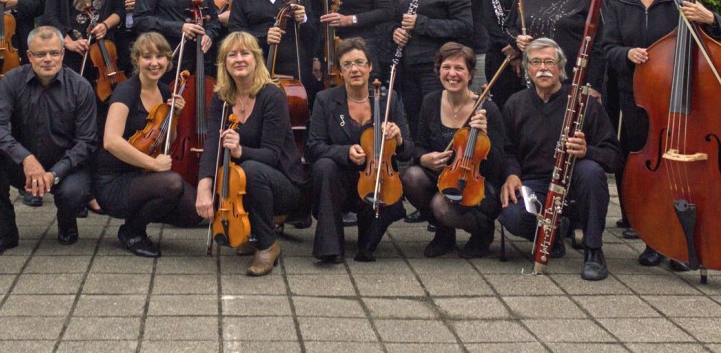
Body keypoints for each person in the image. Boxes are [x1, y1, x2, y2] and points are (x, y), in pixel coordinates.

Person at [598, 0, 721, 270]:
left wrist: (710, 18)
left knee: (684, 174)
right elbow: (606, 49)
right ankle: (653, 240)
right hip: (638, 101)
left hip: (682, 103)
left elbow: (720, 39)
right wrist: (626, 54)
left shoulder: (680, 2)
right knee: (646, 173)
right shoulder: (619, 5)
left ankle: (685, 243)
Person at [498, 38, 620, 281]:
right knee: (511, 215)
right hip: (535, 184)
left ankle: (593, 250)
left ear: (561, 68)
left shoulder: (584, 104)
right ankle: (553, 235)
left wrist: (587, 152)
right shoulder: (515, 103)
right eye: (535, 62)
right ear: (527, 68)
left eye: (549, 62)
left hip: (574, 181)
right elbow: (507, 150)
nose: (542, 68)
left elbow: (614, 157)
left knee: (591, 172)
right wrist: (511, 174)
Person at [0, 26, 97, 257]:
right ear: (29, 56)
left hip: (65, 167)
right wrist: (26, 158)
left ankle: (67, 223)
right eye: (41, 54)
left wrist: (54, 173)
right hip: (24, 166)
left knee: (73, 193)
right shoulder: (12, 81)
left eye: (54, 53)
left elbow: (86, 142)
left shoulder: (81, 87)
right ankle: (4, 234)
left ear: (62, 53)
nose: (48, 59)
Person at [196, 32, 307, 276]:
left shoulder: (272, 95)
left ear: (256, 59)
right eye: (232, 55)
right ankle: (250, 230)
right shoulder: (222, 98)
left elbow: (272, 156)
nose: (239, 59)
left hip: (284, 185)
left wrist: (239, 150)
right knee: (235, 173)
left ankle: (267, 245)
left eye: (245, 53)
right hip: (247, 182)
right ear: (224, 63)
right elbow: (212, 145)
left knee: (250, 170)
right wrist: (204, 188)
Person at [307, 37, 413, 263]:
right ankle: (329, 247)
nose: (354, 69)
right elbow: (314, 147)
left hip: (380, 180)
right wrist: (345, 152)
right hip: (340, 183)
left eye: (359, 62)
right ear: (340, 71)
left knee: (366, 249)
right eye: (347, 64)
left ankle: (372, 226)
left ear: (370, 66)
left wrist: (398, 138)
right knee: (324, 166)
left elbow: (407, 152)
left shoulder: (388, 99)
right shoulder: (325, 100)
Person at [94, 32, 200, 257]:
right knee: (172, 183)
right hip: (114, 181)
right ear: (136, 60)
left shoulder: (164, 90)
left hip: (141, 176)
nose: (154, 63)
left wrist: (175, 115)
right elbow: (110, 141)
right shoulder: (126, 91)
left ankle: (145, 209)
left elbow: (167, 142)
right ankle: (132, 231)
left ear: (168, 61)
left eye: (160, 57)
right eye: (147, 57)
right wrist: (153, 165)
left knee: (194, 212)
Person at [400, 43, 505, 258]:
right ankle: (444, 235)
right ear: (438, 70)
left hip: (477, 184)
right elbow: (419, 145)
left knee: (441, 204)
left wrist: (485, 136)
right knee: (411, 177)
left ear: (470, 74)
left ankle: (482, 232)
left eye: (459, 68)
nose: (452, 74)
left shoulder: (486, 109)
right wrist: (424, 158)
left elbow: (498, 165)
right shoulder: (431, 102)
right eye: (446, 67)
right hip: (443, 176)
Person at [592, 0, 646, 236]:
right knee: (608, 140)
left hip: (636, 67)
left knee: (635, 143)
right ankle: (619, 212)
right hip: (606, 64)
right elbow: (597, 16)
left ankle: (638, 213)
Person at [391, 0, 472, 128]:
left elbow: (464, 26)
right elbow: (397, 19)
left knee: (434, 121)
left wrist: (421, 23)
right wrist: (396, 31)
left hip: (436, 67)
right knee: (413, 121)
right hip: (408, 67)